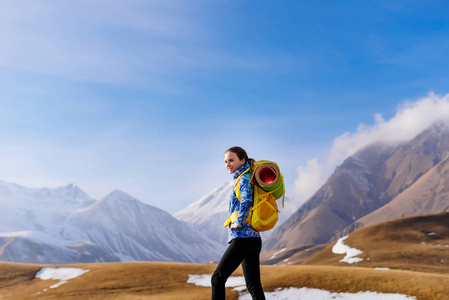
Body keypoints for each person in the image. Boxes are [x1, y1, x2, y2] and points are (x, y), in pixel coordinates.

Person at [211, 146, 265, 300]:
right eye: (226, 161)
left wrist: (239, 222)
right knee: (253, 285)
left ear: (242, 160)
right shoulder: (246, 176)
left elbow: (247, 200)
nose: (228, 164)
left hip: (243, 237)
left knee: (217, 279)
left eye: (231, 160)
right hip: (253, 238)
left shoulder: (244, 178)